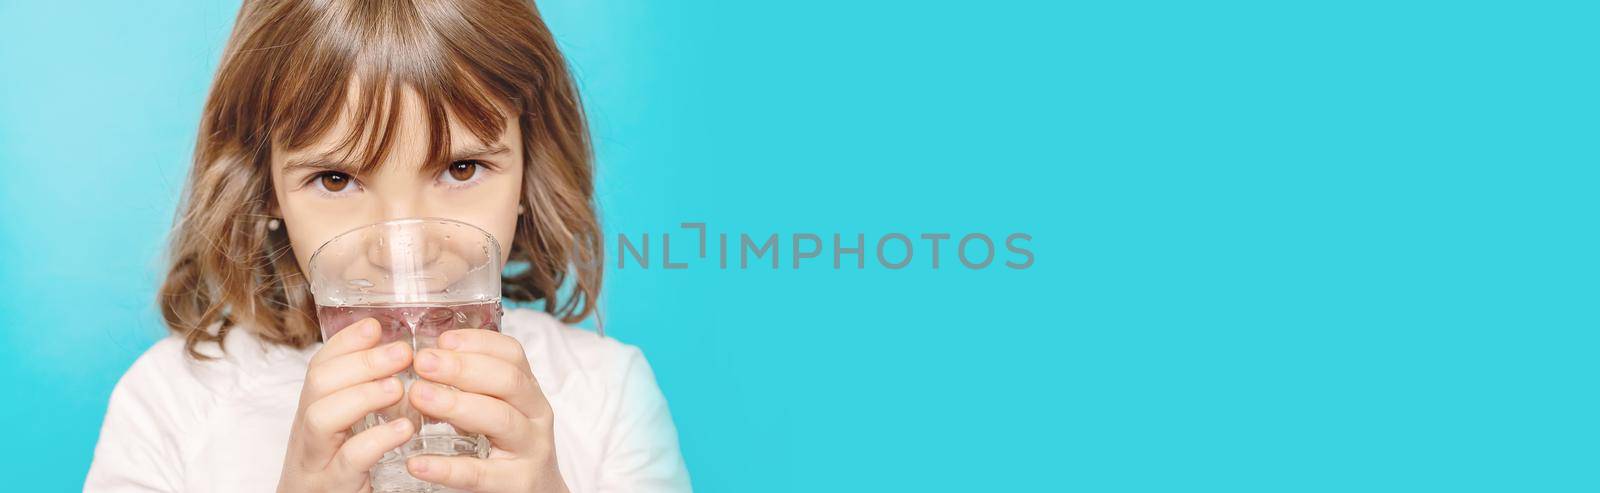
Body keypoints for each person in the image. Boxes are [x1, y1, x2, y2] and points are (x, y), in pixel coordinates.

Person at [84, 0, 691, 491]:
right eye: (336, 179)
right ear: (265, 189)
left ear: (529, 172)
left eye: (460, 168)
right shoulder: (171, 407)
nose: (407, 249)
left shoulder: (608, 396)